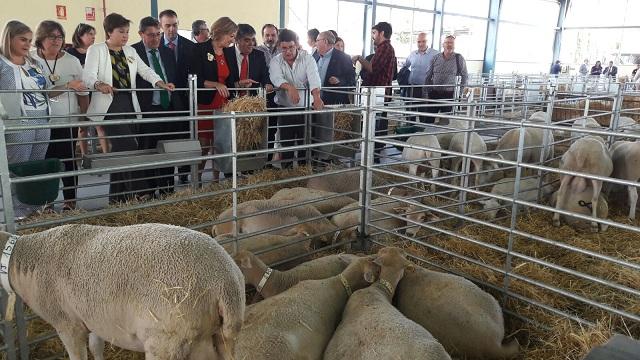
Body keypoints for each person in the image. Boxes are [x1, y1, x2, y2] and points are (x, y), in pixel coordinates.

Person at [83, 13, 174, 203]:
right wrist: (99, 84)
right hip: (109, 104)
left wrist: (159, 82)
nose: (125, 36)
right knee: (129, 147)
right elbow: (88, 76)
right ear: (109, 32)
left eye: (127, 32)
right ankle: (141, 192)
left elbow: (145, 70)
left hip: (130, 103)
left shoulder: (130, 52)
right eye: (121, 31)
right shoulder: (96, 50)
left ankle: (116, 200)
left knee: (121, 153)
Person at [0, 20, 84, 217]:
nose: (26, 44)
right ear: (8, 38)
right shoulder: (2, 64)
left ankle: (35, 210)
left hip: (43, 120)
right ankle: (19, 215)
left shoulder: (33, 63)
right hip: (18, 123)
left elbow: (46, 92)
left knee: (36, 168)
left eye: (29, 40)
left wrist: (67, 87)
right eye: (22, 39)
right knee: (18, 168)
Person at [32, 20, 89, 211]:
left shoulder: (72, 61)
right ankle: (46, 202)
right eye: (51, 36)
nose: (57, 40)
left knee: (68, 160)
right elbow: (40, 92)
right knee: (45, 162)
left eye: (60, 37)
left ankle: (70, 201)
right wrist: (66, 86)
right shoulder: (31, 60)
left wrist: (83, 119)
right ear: (41, 39)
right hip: (41, 122)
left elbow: (83, 93)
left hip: (67, 120)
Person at [132, 16, 185, 197]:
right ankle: (147, 190)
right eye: (150, 35)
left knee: (168, 150)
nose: (155, 39)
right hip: (147, 108)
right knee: (148, 150)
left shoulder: (167, 52)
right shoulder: (133, 52)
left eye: (157, 34)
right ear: (141, 34)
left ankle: (167, 189)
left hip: (168, 108)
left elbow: (174, 77)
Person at [190, 17, 238, 183]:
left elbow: (231, 79)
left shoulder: (230, 53)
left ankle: (216, 181)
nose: (233, 40)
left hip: (225, 104)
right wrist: (216, 84)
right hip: (206, 103)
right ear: (221, 32)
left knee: (221, 144)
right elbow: (195, 78)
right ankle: (196, 182)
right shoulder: (200, 49)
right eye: (231, 36)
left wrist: (239, 84)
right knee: (203, 146)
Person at [269, 28, 323, 168]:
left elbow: (314, 77)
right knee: (286, 144)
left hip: (305, 109)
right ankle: (287, 175)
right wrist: (290, 87)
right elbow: (276, 78)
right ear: (279, 46)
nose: (288, 51)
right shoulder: (276, 61)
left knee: (304, 143)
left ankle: (303, 174)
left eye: (291, 47)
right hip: (285, 109)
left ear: (297, 44)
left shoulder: (307, 58)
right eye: (284, 48)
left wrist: (316, 97)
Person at [352, 22, 396, 162]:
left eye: (374, 33)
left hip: (379, 93)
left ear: (382, 33)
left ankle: (372, 158)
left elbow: (373, 68)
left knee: (375, 125)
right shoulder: (384, 48)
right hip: (378, 93)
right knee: (374, 124)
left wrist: (359, 58)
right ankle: (371, 156)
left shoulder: (385, 48)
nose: (373, 36)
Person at [159, 9, 194, 183]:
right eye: (167, 25)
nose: (171, 29)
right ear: (161, 26)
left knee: (184, 134)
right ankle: (166, 175)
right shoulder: (155, 46)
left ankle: (184, 171)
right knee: (166, 136)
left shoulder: (190, 46)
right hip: (163, 100)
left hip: (185, 99)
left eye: (174, 25)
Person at [424, 35, 468, 123]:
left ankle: (443, 136)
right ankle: (429, 135)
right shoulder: (435, 58)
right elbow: (428, 75)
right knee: (429, 120)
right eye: (447, 42)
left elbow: (465, 76)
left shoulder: (459, 59)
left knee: (446, 122)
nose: (449, 45)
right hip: (434, 94)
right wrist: (427, 91)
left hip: (449, 95)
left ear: (454, 45)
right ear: (443, 45)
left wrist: (459, 93)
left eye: (451, 43)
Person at [228, 24, 272, 96]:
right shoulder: (226, 54)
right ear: (236, 40)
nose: (251, 43)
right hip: (229, 101)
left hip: (252, 101)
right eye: (247, 40)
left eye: (253, 39)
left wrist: (267, 84)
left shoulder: (259, 55)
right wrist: (238, 84)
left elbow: (265, 75)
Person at [403, 32, 438, 120]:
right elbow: (405, 67)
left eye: (424, 41)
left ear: (428, 42)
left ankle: (422, 132)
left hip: (426, 89)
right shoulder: (412, 54)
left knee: (424, 113)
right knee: (410, 112)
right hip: (412, 88)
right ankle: (410, 130)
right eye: (419, 42)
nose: (421, 44)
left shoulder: (435, 55)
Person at [315, 30, 354, 105]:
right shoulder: (314, 56)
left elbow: (352, 81)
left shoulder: (343, 58)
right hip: (314, 102)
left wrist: (339, 80)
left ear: (325, 41)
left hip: (333, 104)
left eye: (317, 40)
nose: (316, 43)